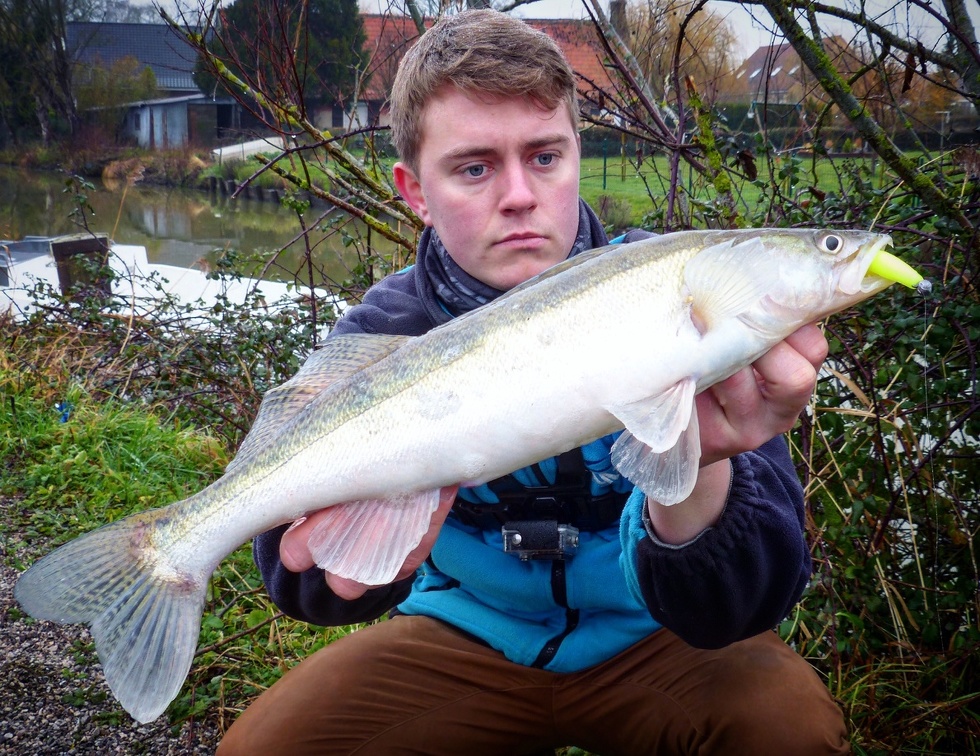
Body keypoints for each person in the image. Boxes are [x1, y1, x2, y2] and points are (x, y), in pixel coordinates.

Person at [217, 9, 849, 755]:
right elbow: (299, 583)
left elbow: (742, 607)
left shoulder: (691, 297)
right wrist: (352, 557)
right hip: (465, 631)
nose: (519, 195)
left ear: (578, 153)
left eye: (545, 157)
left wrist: (700, 469)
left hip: (656, 637)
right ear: (414, 190)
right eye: (474, 167)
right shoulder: (380, 335)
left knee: (787, 730)